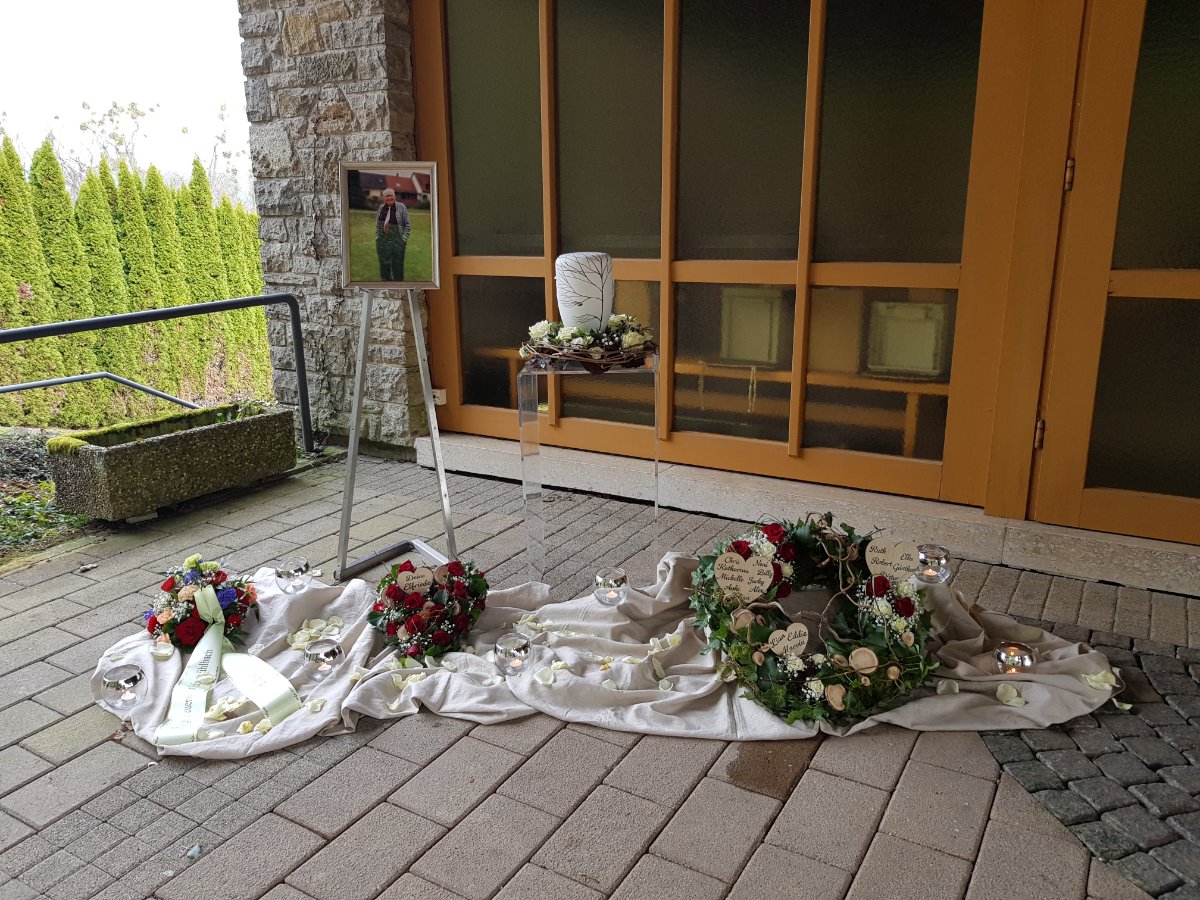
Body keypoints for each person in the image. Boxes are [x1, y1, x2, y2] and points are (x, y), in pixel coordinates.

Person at [375, 187, 411, 281]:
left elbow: (407, 225)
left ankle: (398, 284)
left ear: (395, 196)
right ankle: (386, 283)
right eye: (387, 196)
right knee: (384, 263)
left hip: (397, 240)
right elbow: (377, 224)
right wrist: (377, 237)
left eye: (391, 195)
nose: (389, 198)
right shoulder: (381, 208)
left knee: (398, 264)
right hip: (383, 240)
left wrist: (403, 239)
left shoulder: (401, 207)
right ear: (384, 198)